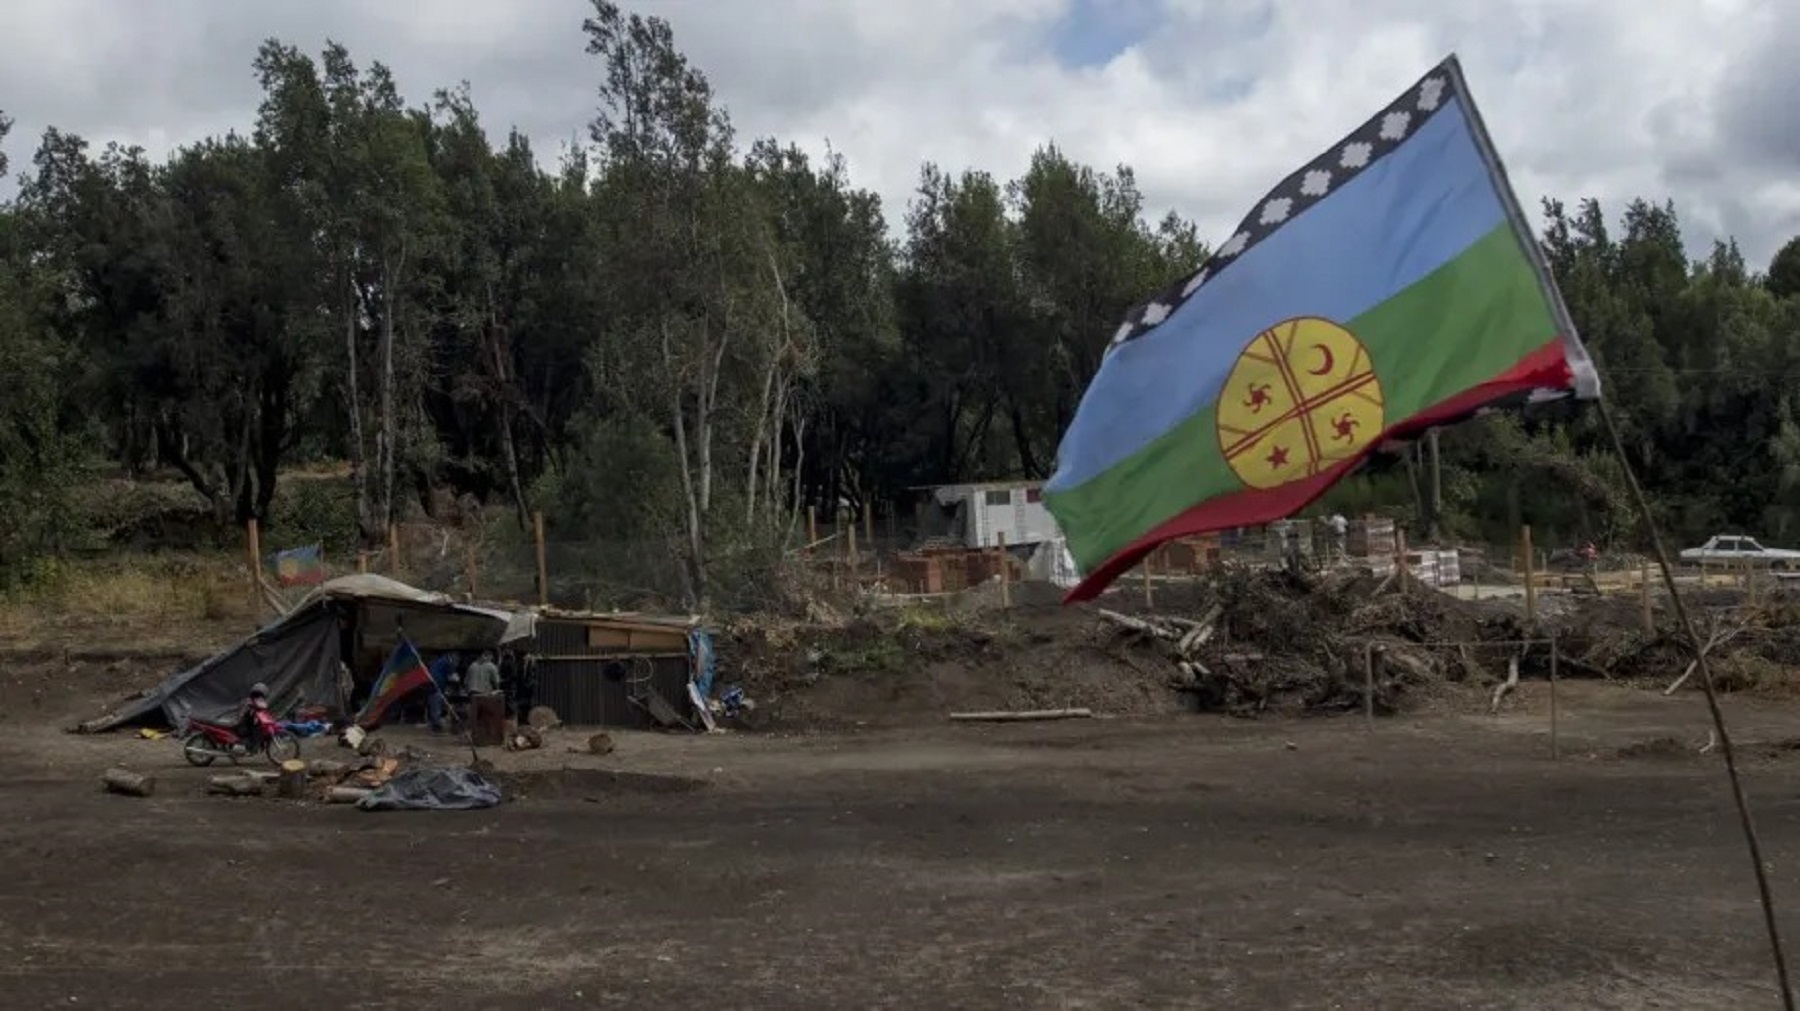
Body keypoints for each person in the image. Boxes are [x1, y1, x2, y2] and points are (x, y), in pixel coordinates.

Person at [425, 651, 461, 733]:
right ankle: (436, 726)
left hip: (432, 685)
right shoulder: (448, 663)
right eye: (457, 661)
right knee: (436, 705)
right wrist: (458, 679)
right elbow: (453, 677)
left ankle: (435, 723)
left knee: (435, 705)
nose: (457, 663)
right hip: (436, 686)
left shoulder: (440, 661)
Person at [235, 682, 270, 747]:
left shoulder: (255, 701)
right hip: (242, 723)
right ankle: (249, 745)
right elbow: (242, 714)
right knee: (255, 729)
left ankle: (254, 745)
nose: (259, 697)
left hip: (246, 722)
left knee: (257, 728)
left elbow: (264, 706)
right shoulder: (249, 701)